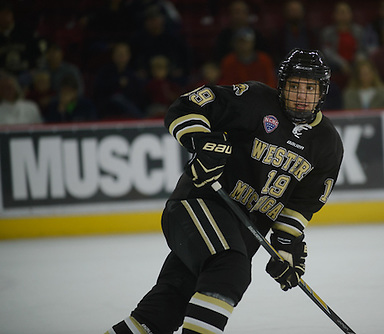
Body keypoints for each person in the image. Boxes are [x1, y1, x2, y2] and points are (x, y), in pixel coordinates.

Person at [105, 48, 343, 334]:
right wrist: (202, 143)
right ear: (281, 86)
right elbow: (187, 106)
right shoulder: (255, 99)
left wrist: (286, 248)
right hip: (199, 205)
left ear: (322, 92)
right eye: (293, 86)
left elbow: (301, 205)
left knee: (162, 313)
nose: (300, 95)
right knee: (230, 268)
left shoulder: (327, 143)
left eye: (309, 88)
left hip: (238, 234)